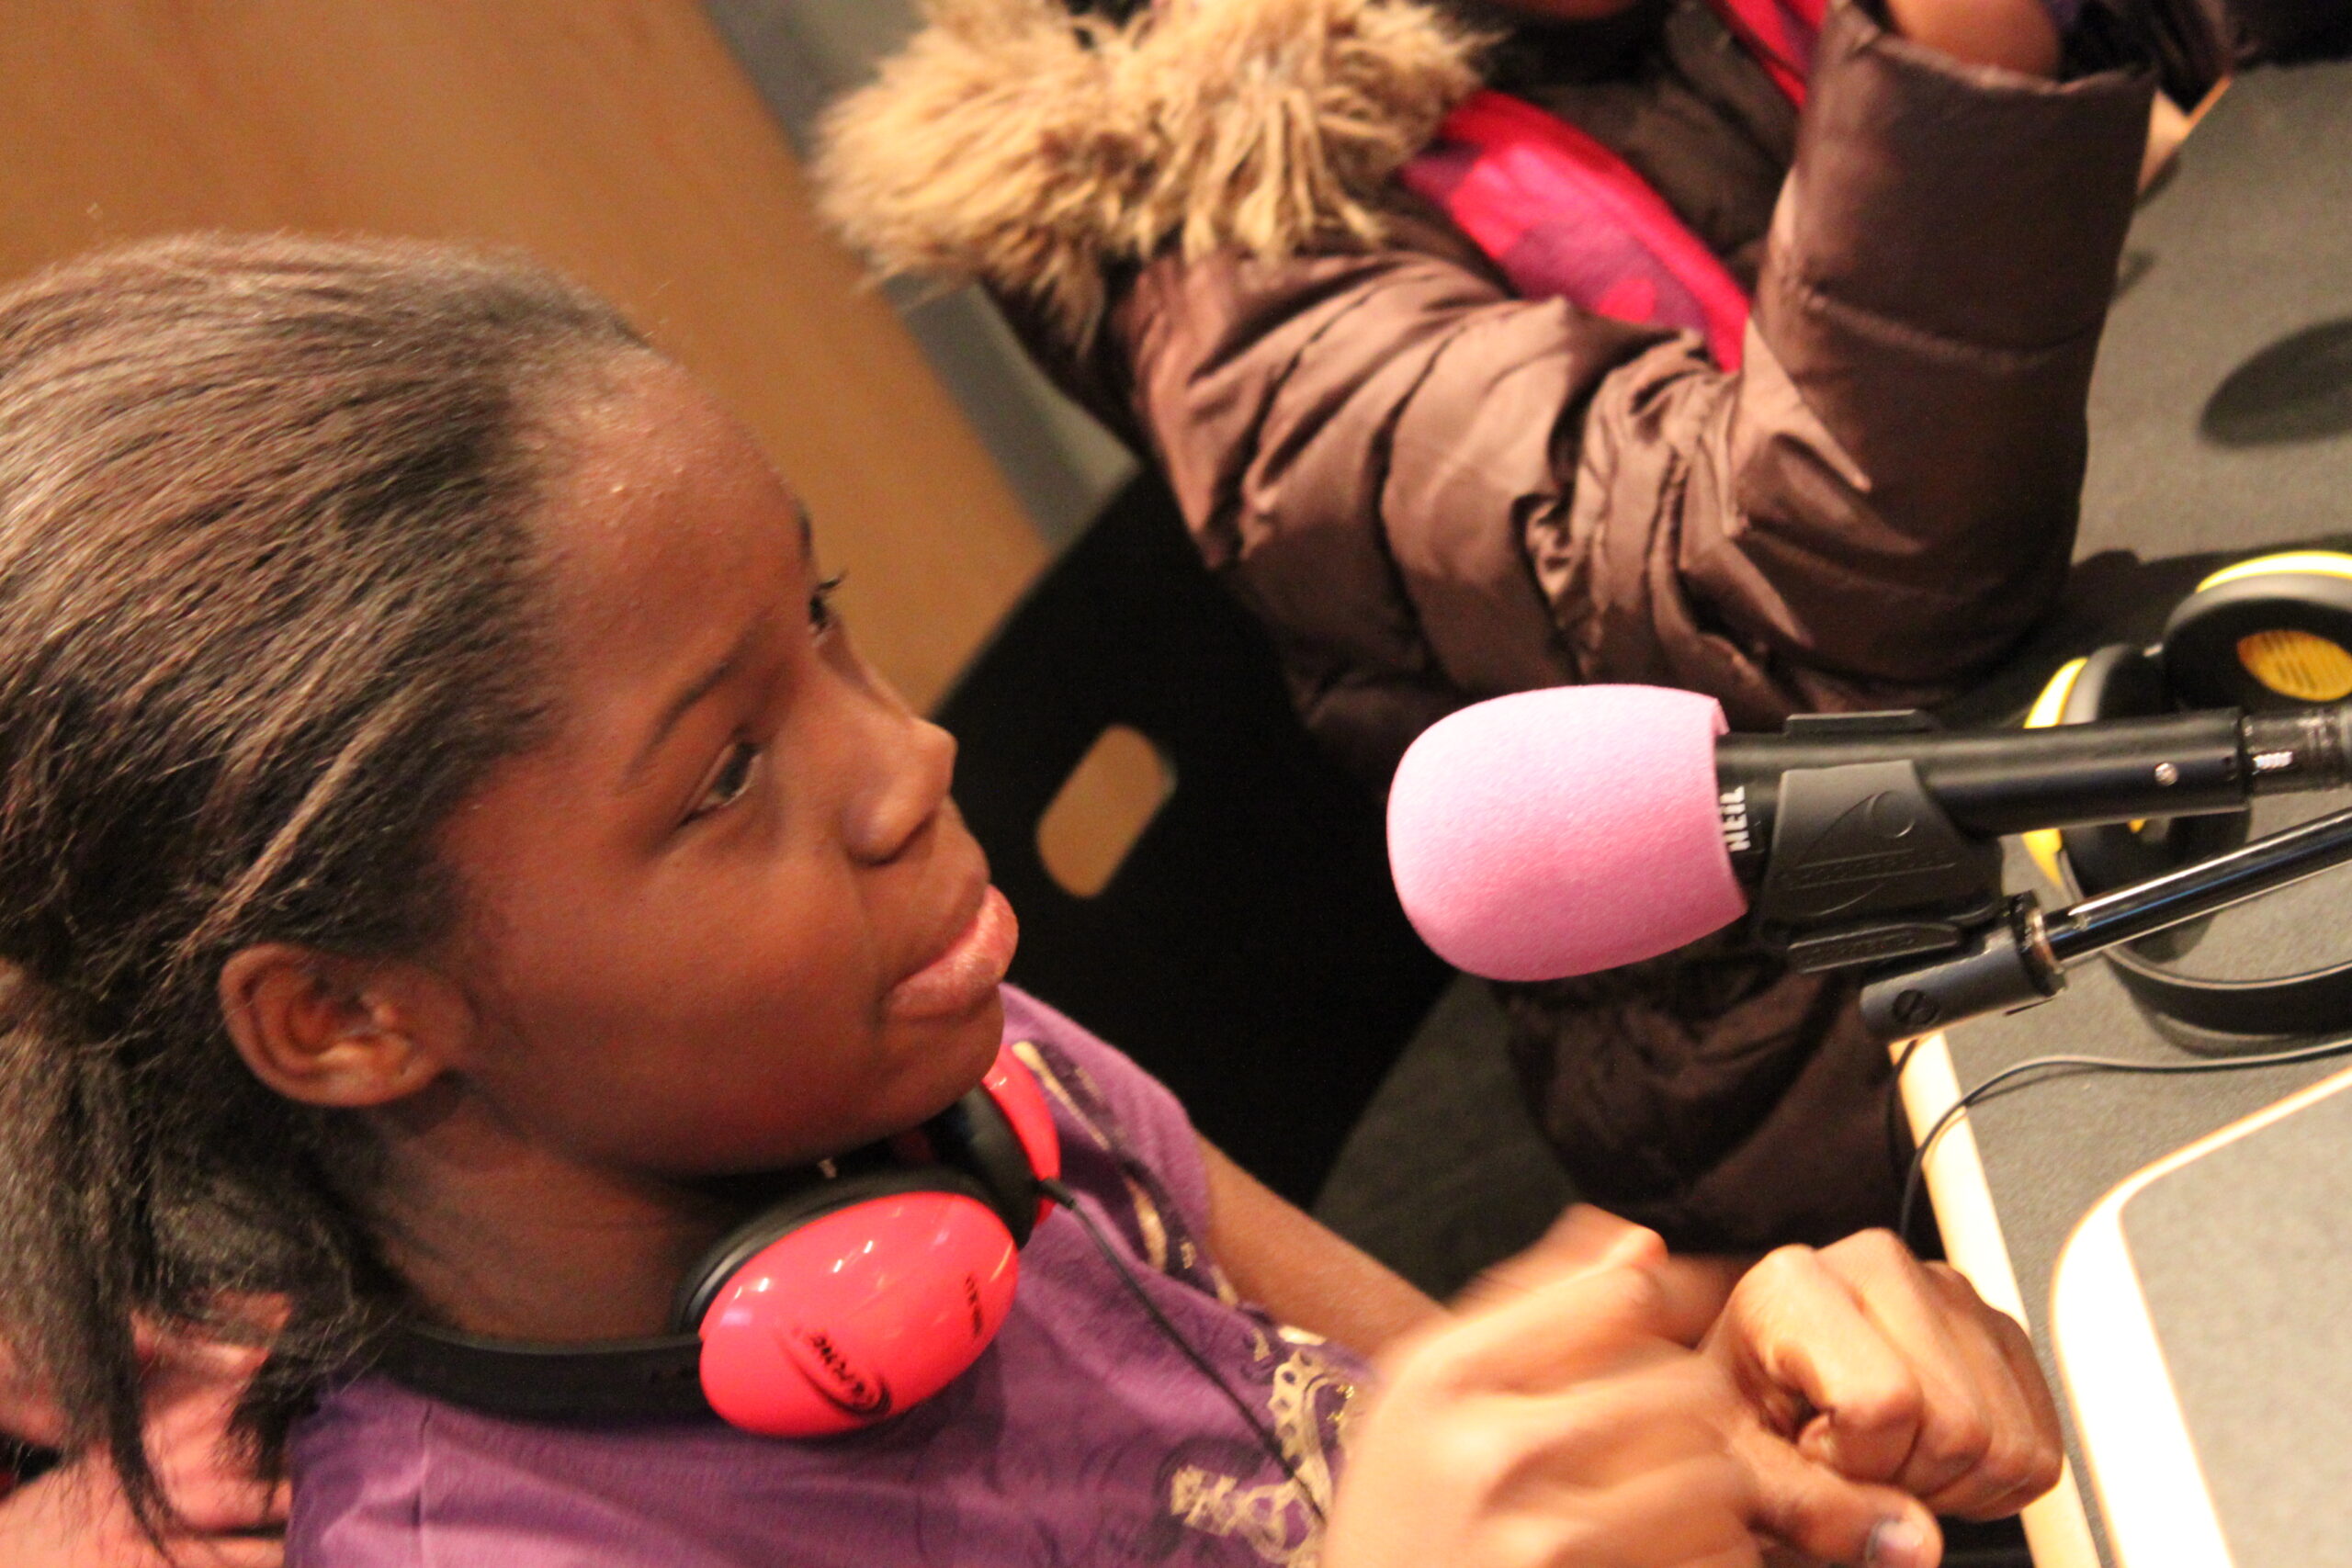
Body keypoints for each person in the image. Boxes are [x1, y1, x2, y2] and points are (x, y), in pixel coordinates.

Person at [0, 233, 2062, 1567]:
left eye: (822, 624)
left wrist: (1756, 1361)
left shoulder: (957, 1074)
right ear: (346, 1013)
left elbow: (1444, 1400)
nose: (910, 766)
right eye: (726, 769)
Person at [812, 0, 2340, 1251]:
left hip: (2029, 720)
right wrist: (1960, 50)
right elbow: (1824, 579)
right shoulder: (1238, 290)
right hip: (1818, 1011)